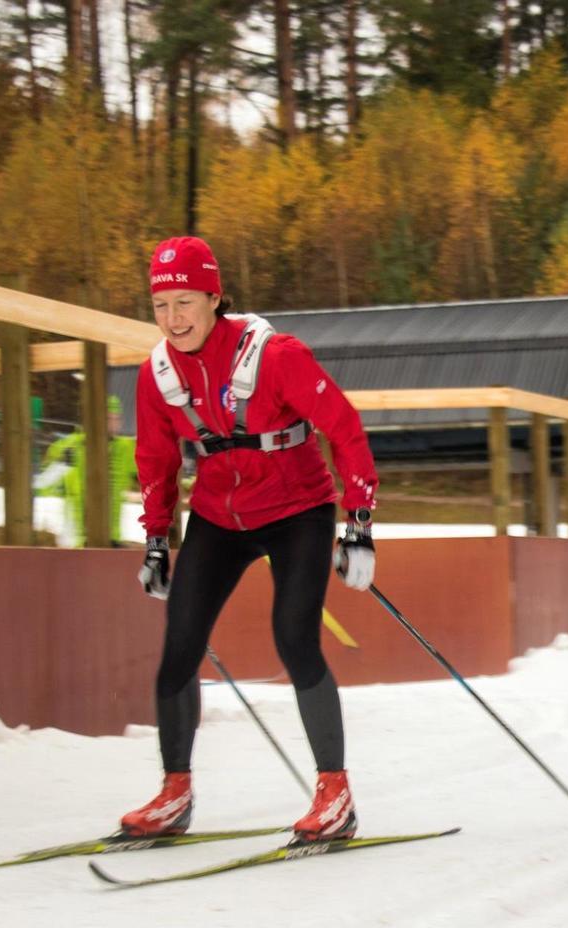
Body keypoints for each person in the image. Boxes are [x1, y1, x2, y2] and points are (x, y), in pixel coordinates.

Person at [120, 236, 380, 843]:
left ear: (214, 297)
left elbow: (343, 429)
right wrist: (157, 539)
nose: (173, 319)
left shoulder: (275, 355)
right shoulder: (156, 374)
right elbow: (155, 458)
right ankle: (174, 794)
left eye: (185, 301)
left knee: (294, 637)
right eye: (161, 305)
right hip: (219, 514)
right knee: (179, 648)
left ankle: (335, 795)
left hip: (298, 509)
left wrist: (359, 524)